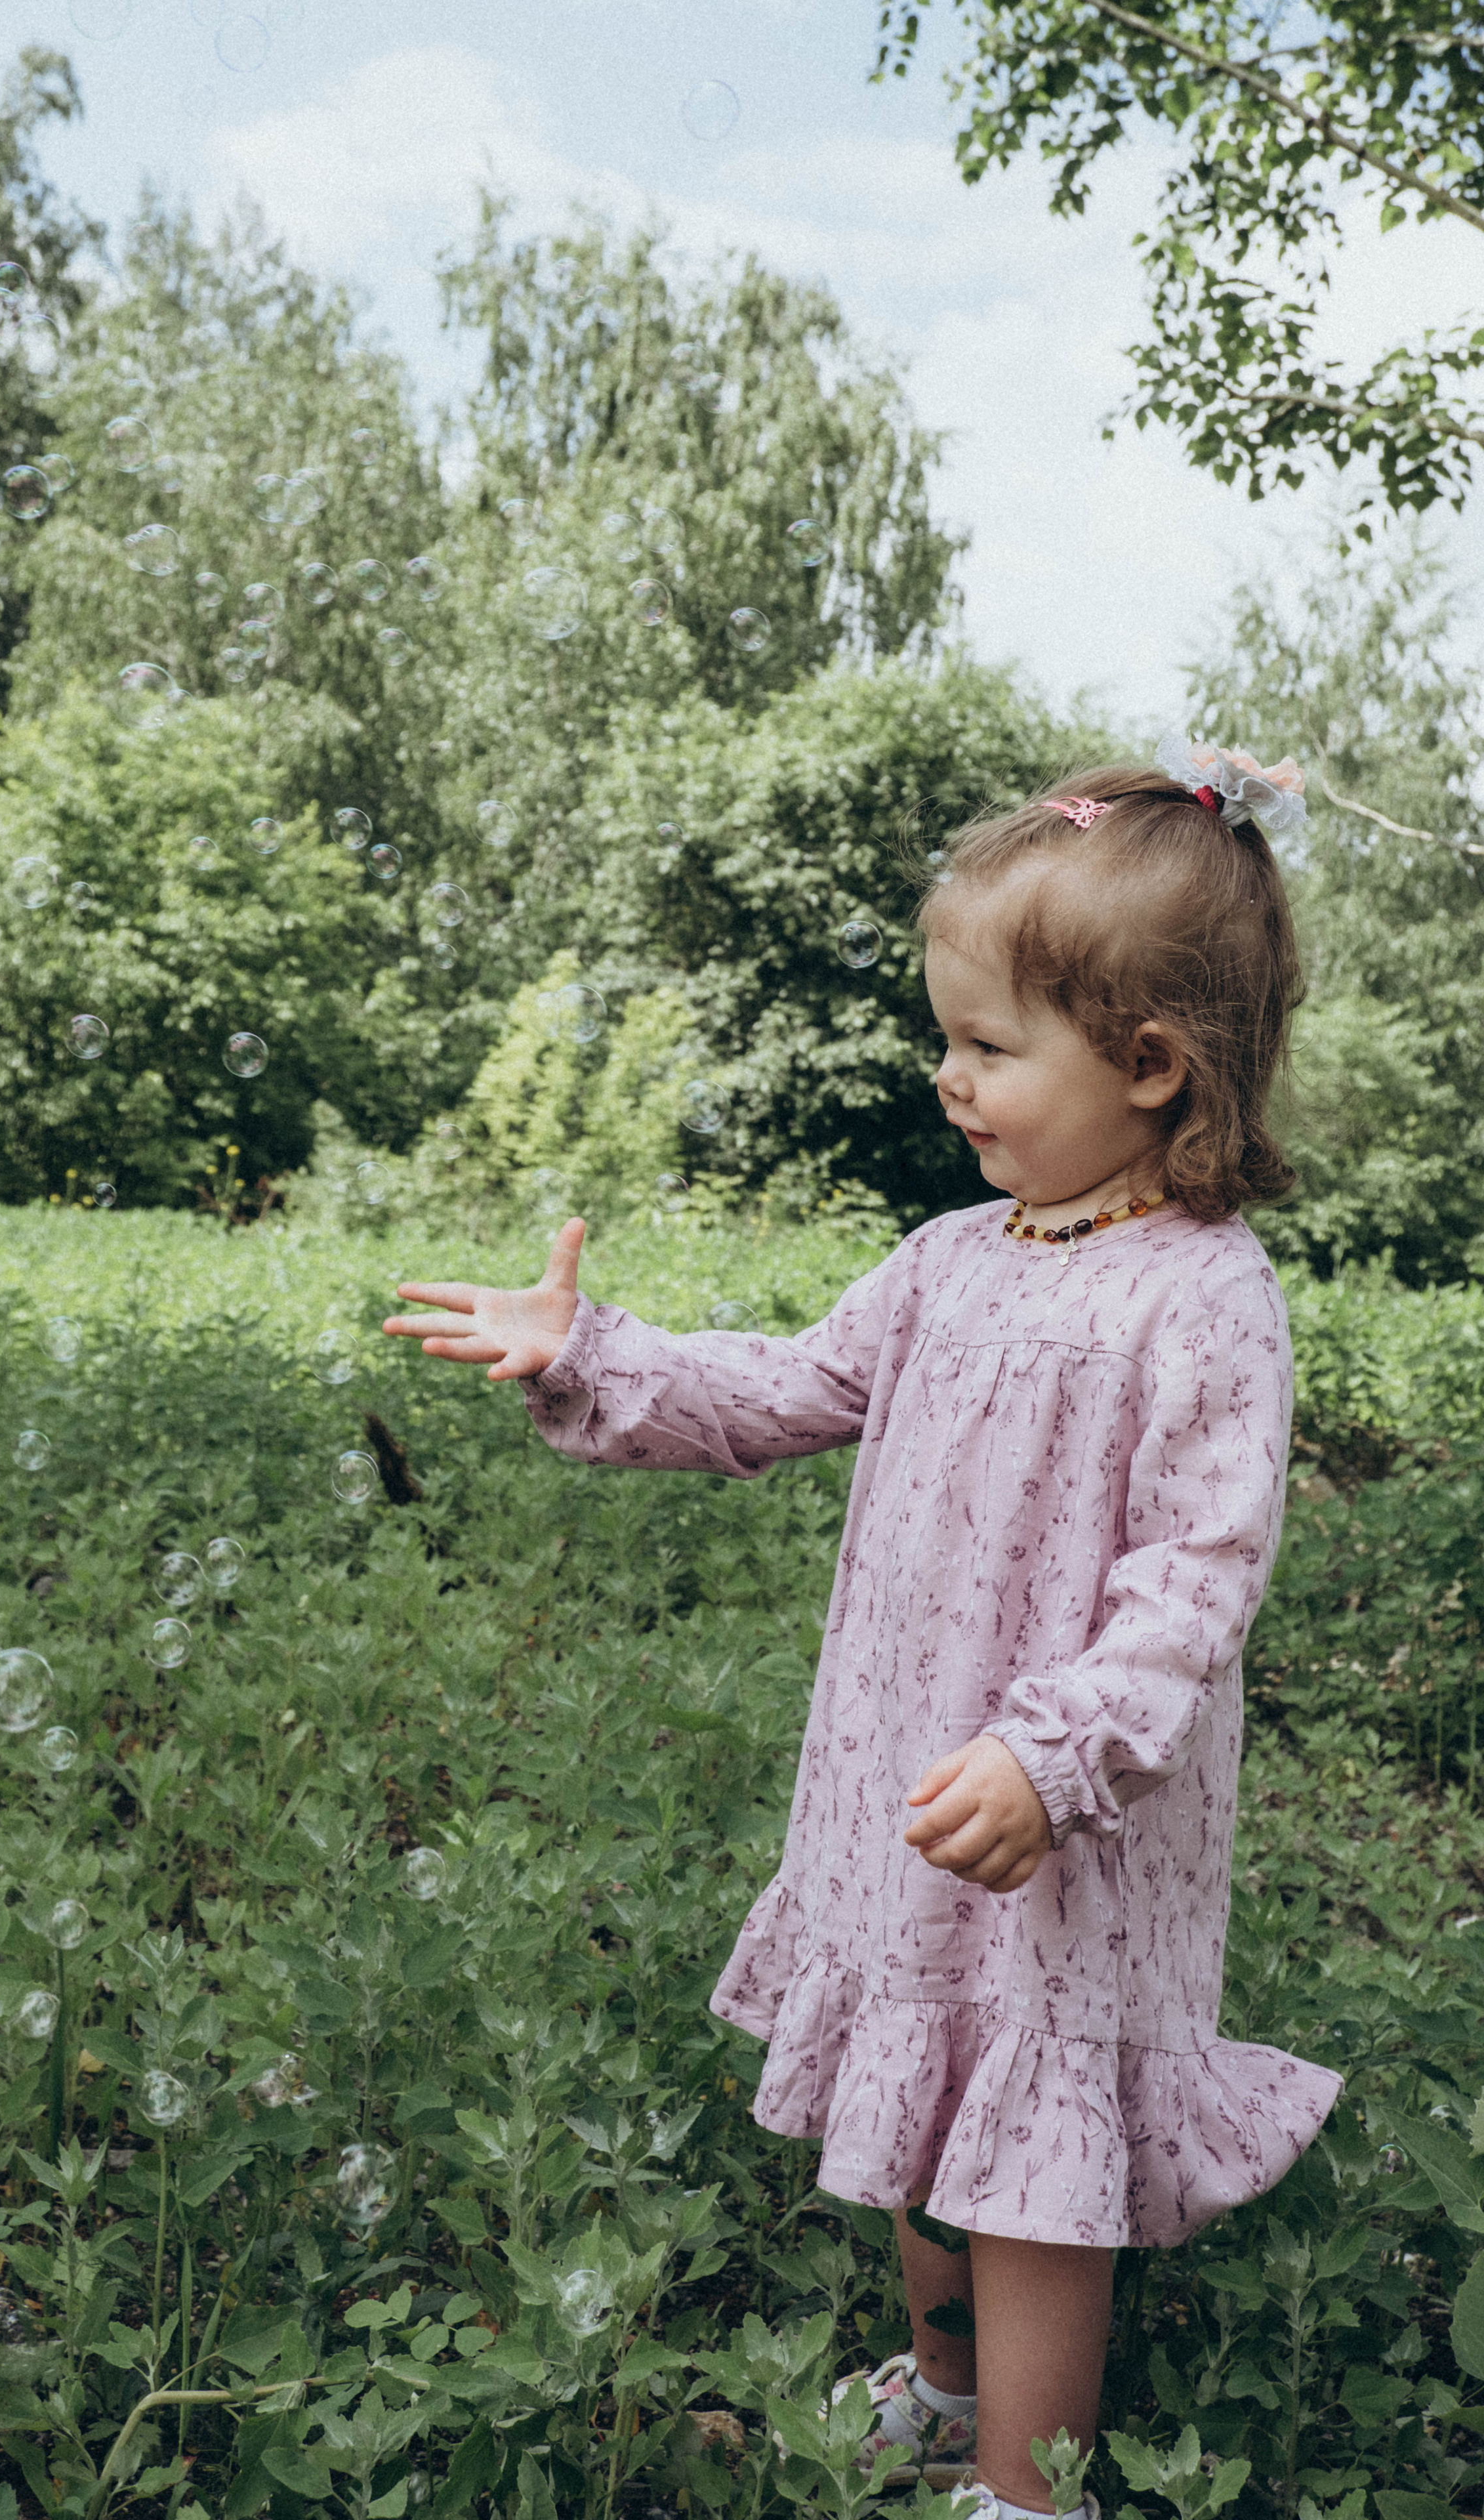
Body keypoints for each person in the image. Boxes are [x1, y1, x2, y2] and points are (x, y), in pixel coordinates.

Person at [382, 744, 1342, 2520]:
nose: (948, 1075)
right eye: (950, 1036)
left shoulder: (1205, 1295)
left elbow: (1199, 1576)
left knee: (1033, 2165)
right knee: (928, 2102)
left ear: (1151, 1064)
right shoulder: (946, 1259)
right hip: (909, 1780)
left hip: (1064, 1813)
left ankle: (1022, 2491)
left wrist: (1054, 1758)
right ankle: (938, 2381)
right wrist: (593, 1355)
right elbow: (783, 1388)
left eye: (990, 1046)